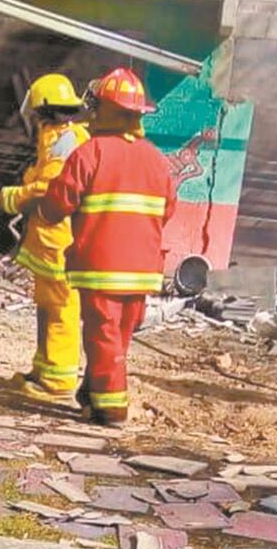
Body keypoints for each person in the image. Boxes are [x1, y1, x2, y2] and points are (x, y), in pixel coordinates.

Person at [40, 67, 176, 427]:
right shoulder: (157, 159)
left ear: (104, 110)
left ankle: (112, 409)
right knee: (117, 337)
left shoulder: (90, 153)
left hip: (101, 268)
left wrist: (37, 208)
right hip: (143, 269)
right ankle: (92, 391)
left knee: (103, 335)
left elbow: (56, 205)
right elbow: (168, 210)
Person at [0, 75, 90, 403]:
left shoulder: (67, 140)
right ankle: (43, 370)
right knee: (47, 305)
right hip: (49, 237)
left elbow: (51, 188)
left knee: (61, 307)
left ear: (46, 109)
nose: (34, 116)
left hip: (60, 239)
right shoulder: (57, 136)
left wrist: (14, 197)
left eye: (37, 110)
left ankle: (58, 381)